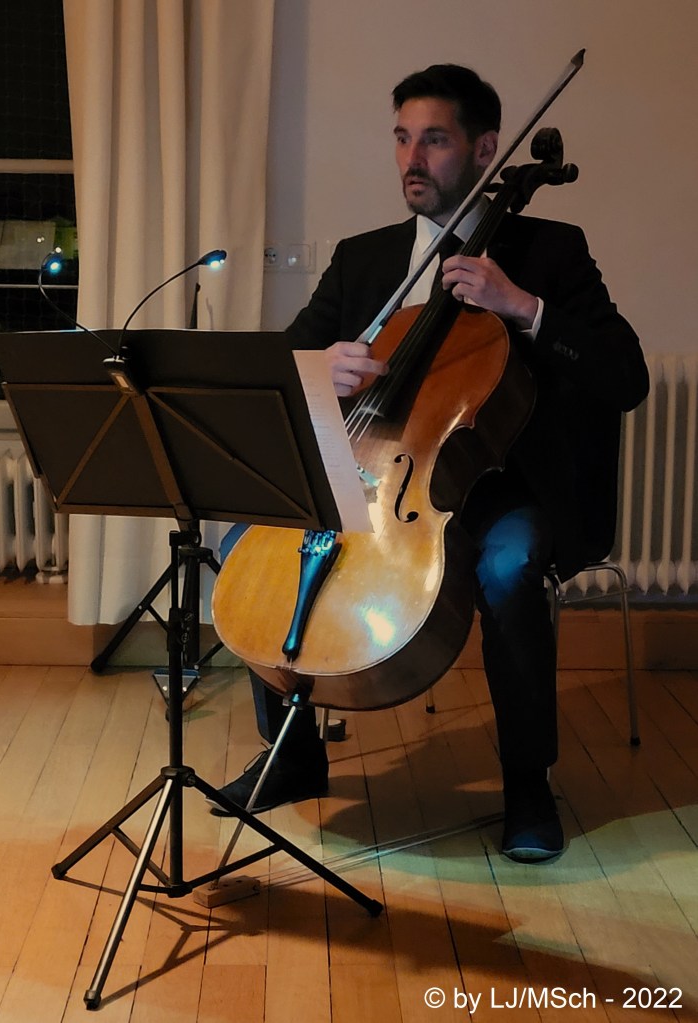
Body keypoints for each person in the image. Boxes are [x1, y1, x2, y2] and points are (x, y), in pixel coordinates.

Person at [210, 64, 649, 863]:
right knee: (249, 540)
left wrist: (523, 307)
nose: (412, 159)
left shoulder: (550, 252)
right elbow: (282, 364)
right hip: (382, 474)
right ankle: (293, 752)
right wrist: (319, 369)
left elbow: (626, 376)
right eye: (402, 138)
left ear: (485, 149)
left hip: (500, 483)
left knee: (510, 568)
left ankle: (527, 784)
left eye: (435, 140)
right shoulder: (365, 260)